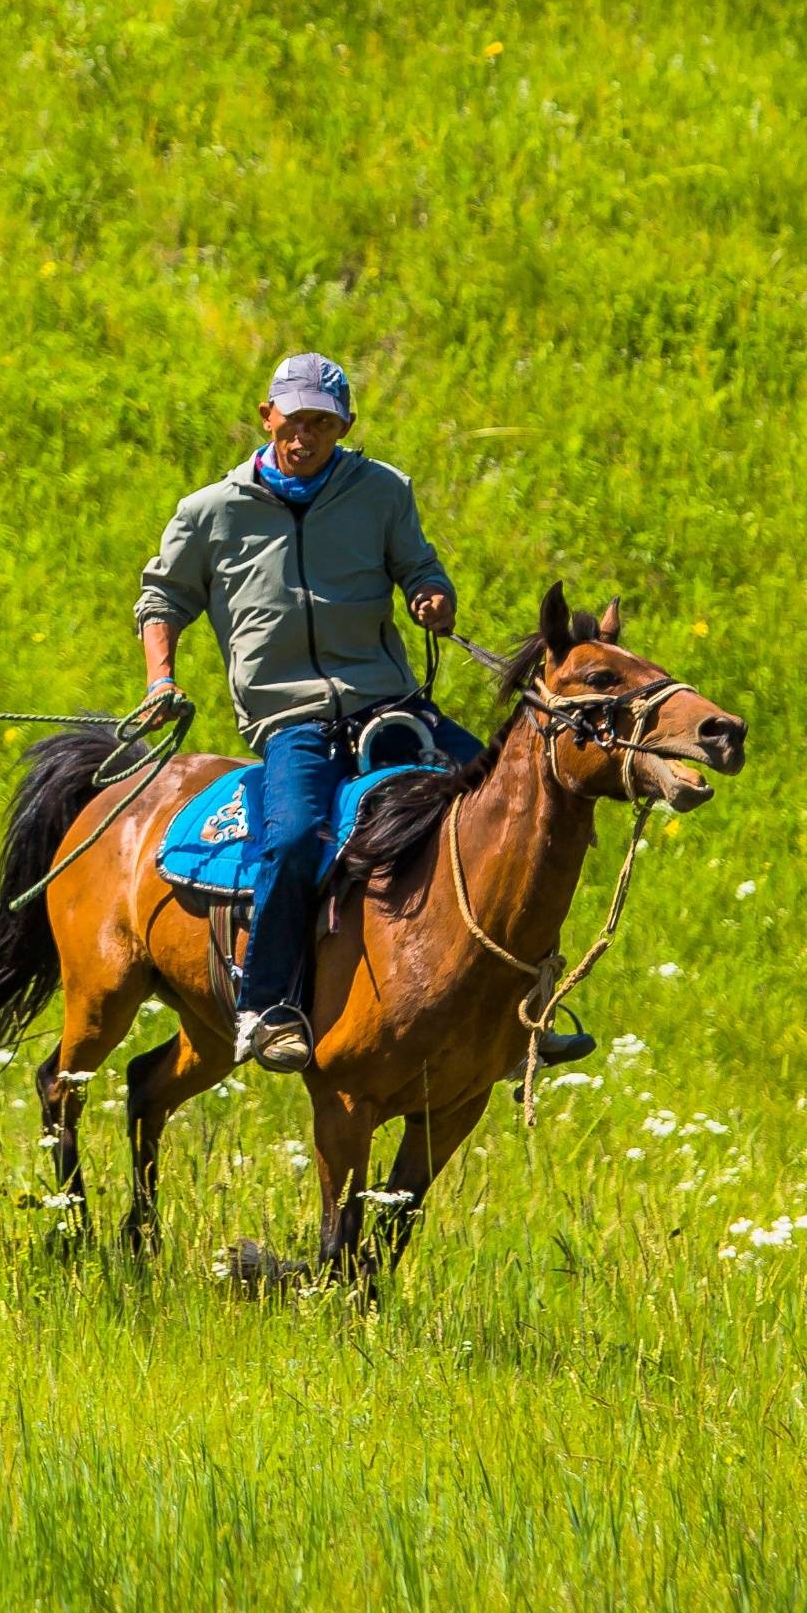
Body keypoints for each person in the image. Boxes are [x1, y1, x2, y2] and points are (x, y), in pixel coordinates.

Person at [134, 352, 581, 1074]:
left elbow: (420, 568)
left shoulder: (381, 492)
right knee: (294, 838)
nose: (304, 435)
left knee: (518, 802)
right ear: (265, 416)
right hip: (294, 721)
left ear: (343, 426)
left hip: (390, 704)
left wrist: (432, 596)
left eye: (322, 422)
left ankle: (527, 1007)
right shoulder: (209, 512)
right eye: (293, 419)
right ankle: (267, 1006)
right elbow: (162, 598)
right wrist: (161, 680)